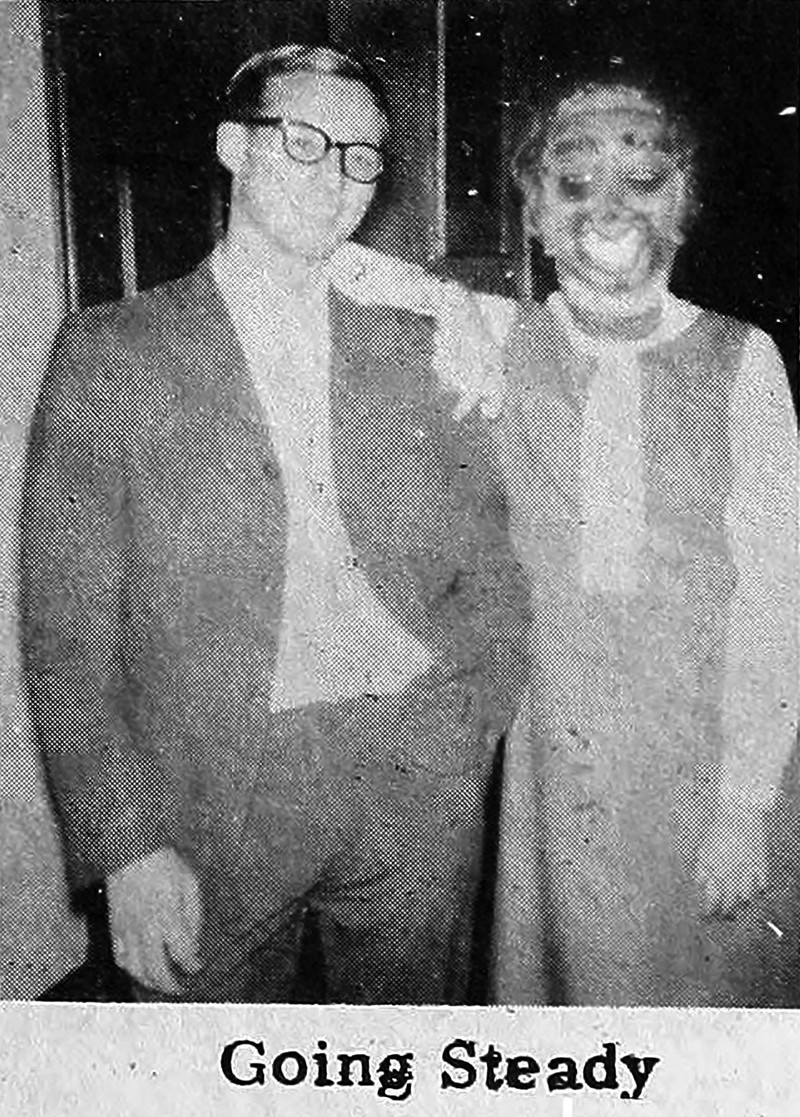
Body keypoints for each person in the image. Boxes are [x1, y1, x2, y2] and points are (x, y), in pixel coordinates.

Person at [19, 43, 530, 1004]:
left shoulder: (425, 347)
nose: (334, 177)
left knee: (400, 1060)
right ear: (234, 147)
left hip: (409, 777)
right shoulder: (111, 352)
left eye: (361, 157)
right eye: (303, 141)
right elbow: (66, 634)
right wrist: (125, 845)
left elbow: (493, 567)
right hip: (209, 798)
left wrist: (460, 734)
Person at [451, 76, 798, 1006]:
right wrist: (441, 303)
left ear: (682, 204)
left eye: (642, 180)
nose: (608, 207)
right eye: (573, 183)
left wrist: (745, 805)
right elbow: (338, 271)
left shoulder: (742, 358)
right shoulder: (496, 342)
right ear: (533, 213)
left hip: (715, 760)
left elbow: (779, 595)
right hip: (562, 772)